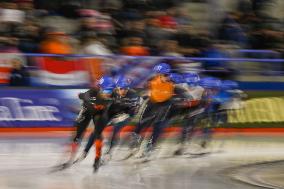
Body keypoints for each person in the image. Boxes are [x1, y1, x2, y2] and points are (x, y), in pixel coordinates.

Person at [56, 76, 115, 171]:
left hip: (99, 114)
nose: (108, 94)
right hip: (87, 112)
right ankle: (69, 159)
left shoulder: (113, 96)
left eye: (110, 91)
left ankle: (97, 159)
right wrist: (87, 100)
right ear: (100, 88)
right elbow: (82, 95)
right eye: (107, 91)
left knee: (98, 134)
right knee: (77, 136)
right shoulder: (92, 92)